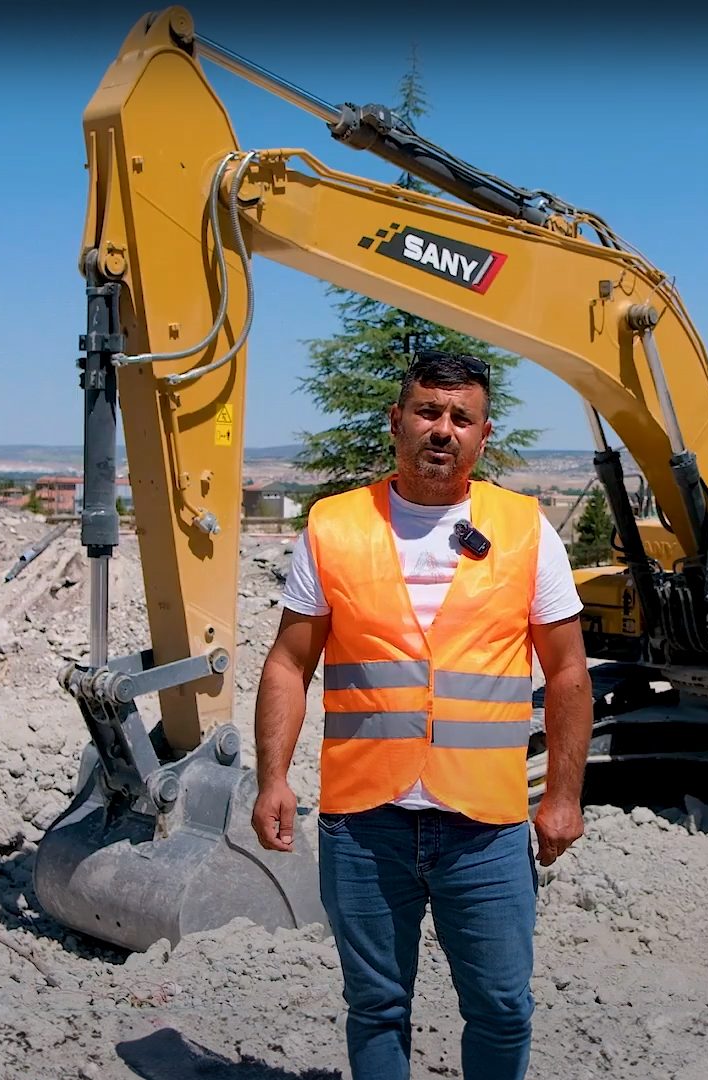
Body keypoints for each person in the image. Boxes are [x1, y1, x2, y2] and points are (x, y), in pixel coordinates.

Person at [251, 349, 591, 1080]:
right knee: (375, 1006)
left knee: (502, 1008)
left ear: (482, 432)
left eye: (460, 417)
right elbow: (288, 661)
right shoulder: (334, 527)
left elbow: (567, 673)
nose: (443, 429)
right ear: (397, 421)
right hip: (364, 821)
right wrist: (271, 777)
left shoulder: (528, 531)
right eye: (429, 412)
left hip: (486, 825)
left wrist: (563, 796)